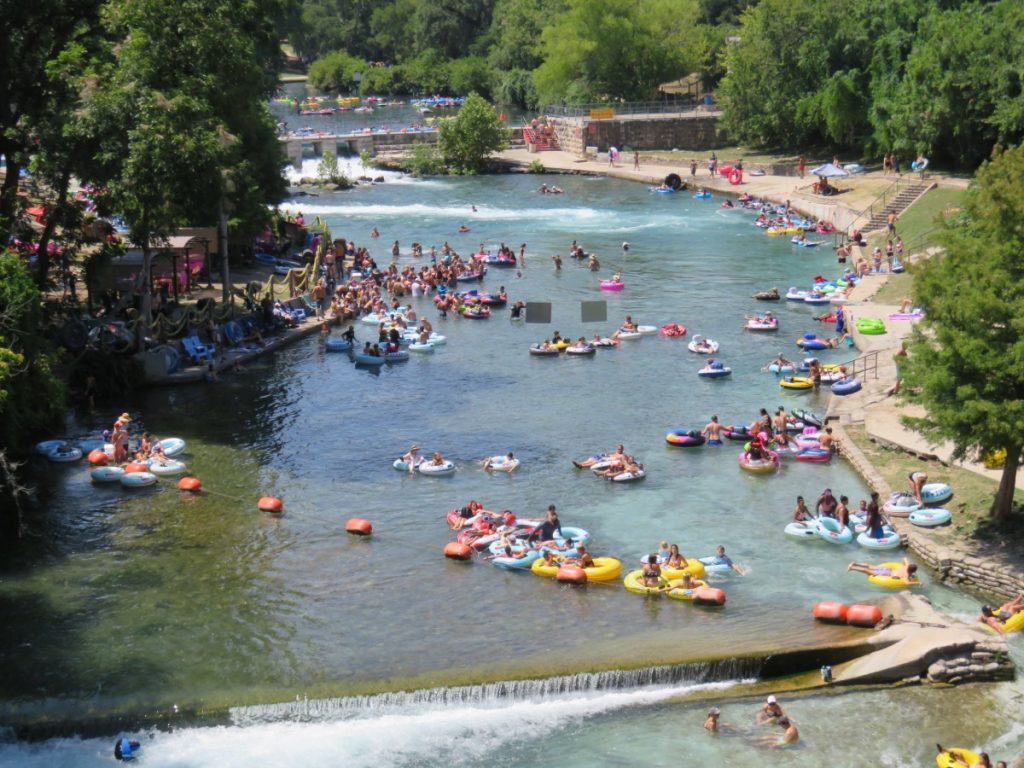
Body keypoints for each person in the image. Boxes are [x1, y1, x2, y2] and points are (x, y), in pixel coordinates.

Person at [847, 558, 918, 580]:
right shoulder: (906, 575)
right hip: (887, 573)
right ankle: (852, 568)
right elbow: (907, 583)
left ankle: (855, 564)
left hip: (889, 569)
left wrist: (903, 564)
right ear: (913, 571)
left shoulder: (906, 566)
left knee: (870, 566)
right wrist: (917, 582)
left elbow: (905, 558)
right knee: (868, 571)